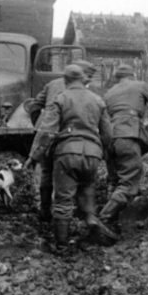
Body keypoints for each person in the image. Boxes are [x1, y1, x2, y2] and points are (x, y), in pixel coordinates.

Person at [24, 65, 116, 250]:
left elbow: (47, 132)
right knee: (86, 189)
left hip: (67, 152)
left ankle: (62, 245)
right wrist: (106, 153)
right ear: (82, 79)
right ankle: (91, 218)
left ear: (65, 80)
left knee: (63, 199)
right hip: (92, 153)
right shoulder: (97, 100)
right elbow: (108, 134)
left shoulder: (61, 99)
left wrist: (34, 157)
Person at [99, 64, 148, 232]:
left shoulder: (109, 92)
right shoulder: (140, 85)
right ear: (132, 76)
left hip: (109, 138)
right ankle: (103, 219)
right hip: (128, 135)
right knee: (129, 182)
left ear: (117, 78)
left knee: (114, 180)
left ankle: (113, 223)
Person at [28, 59, 98, 224]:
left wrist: (38, 123)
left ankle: (45, 210)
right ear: (80, 73)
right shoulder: (84, 91)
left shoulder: (52, 84)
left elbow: (34, 106)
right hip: (66, 135)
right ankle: (75, 212)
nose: (88, 79)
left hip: (47, 131)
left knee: (47, 172)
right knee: (71, 173)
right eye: (88, 75)